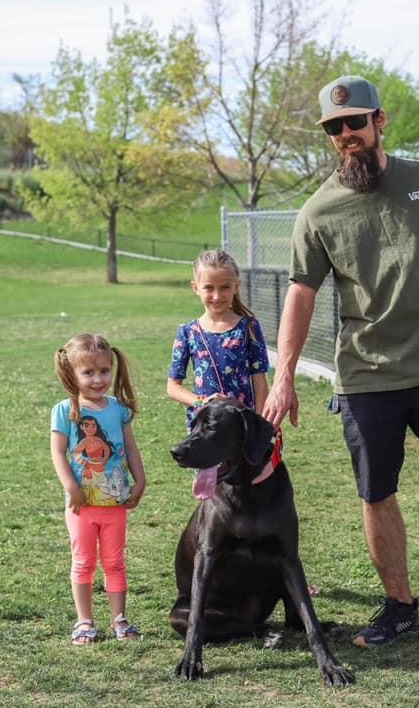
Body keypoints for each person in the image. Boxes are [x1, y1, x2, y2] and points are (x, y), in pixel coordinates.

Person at [262, 75, 419, 654]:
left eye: (355, 122)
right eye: (334, 128)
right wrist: (284, 376)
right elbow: (300, 294)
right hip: (365, 378)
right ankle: (401, 608)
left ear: (380, 121)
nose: (346, 135)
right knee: (376, 495)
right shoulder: (318, 211)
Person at [167, 250, 322, 595]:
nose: (217, 296)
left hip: (244, 435)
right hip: (209, 436)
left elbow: (259, 379)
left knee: (265, 501)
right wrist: (199, 402)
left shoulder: (248, 327)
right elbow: (172, 386)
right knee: (215, 499)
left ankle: (283, 570)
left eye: (225, 287)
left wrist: (269, 426)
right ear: (195, 287)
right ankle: (218, 565)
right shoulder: (188, 332)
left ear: (236, 286)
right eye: (209, 288)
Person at [51, 333, 147, 645]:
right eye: (88, 372)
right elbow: (58, 453)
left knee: (115, 562)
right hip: (81, 506)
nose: (98, 379)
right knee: (83, 562)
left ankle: (120, 619)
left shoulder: (118, 409)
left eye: (104, 371)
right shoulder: (65, 410)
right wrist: (71, 487)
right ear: (72, 373)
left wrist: (140, 479)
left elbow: (130, 448)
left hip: (115, 504)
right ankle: (84, 621)